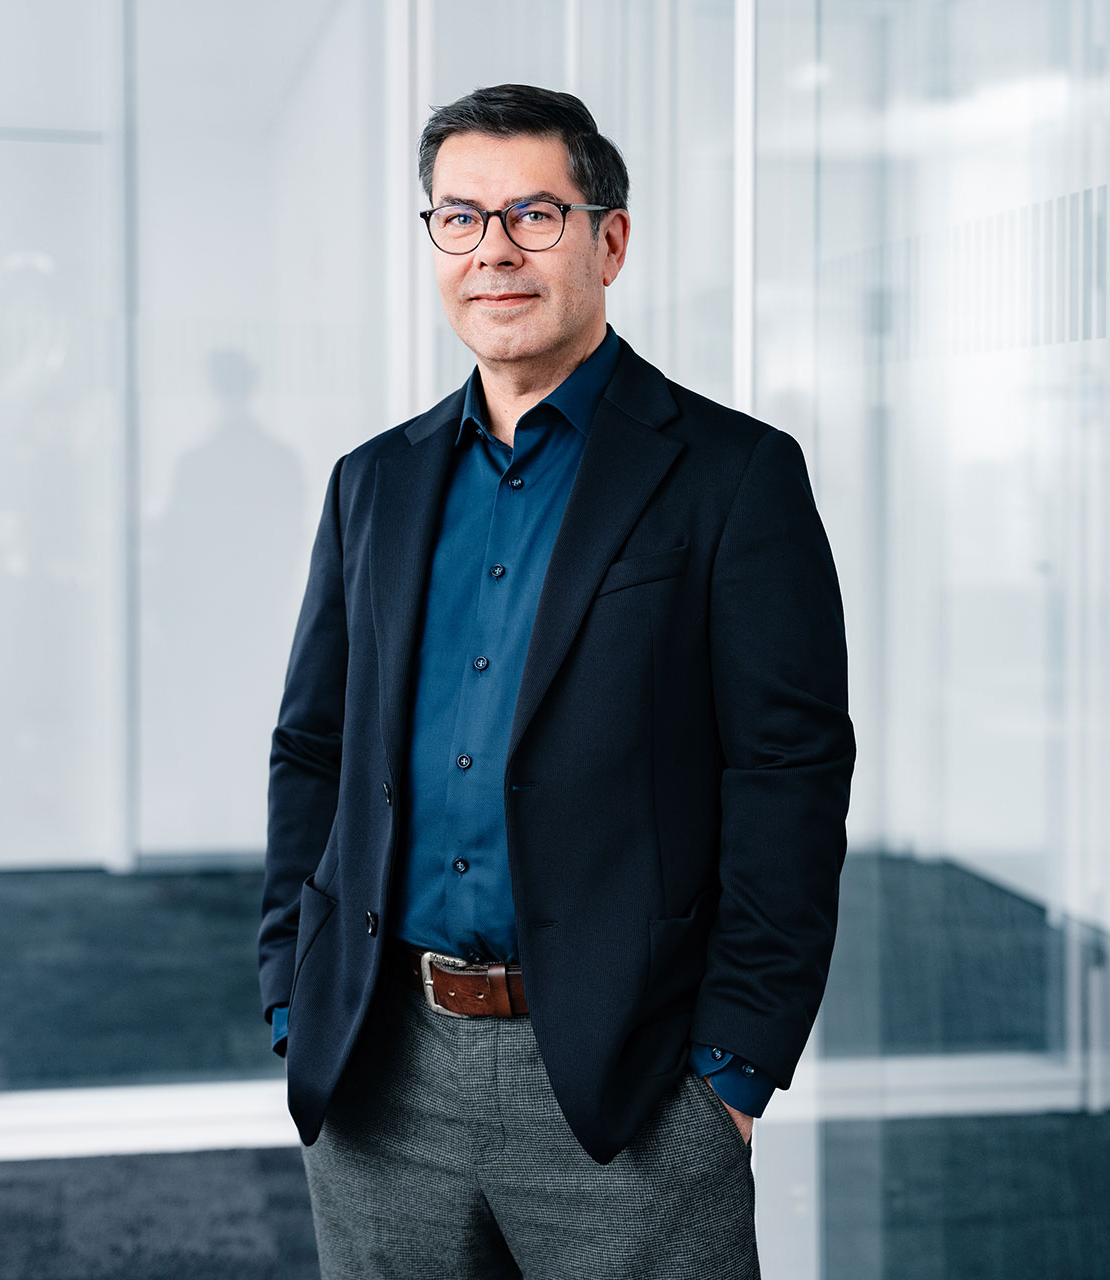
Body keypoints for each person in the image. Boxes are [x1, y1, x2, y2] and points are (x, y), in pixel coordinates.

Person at [256, 82, 854, 1278]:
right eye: (460, 217)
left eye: (534, 214)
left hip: (628, 1080)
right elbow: (313, 746)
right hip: (380, 1064)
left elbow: (788, 773)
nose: (494, 251)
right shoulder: (373, 482)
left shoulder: (732, 475)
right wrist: (293, 987)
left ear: (609, 240)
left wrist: (733, 1067)